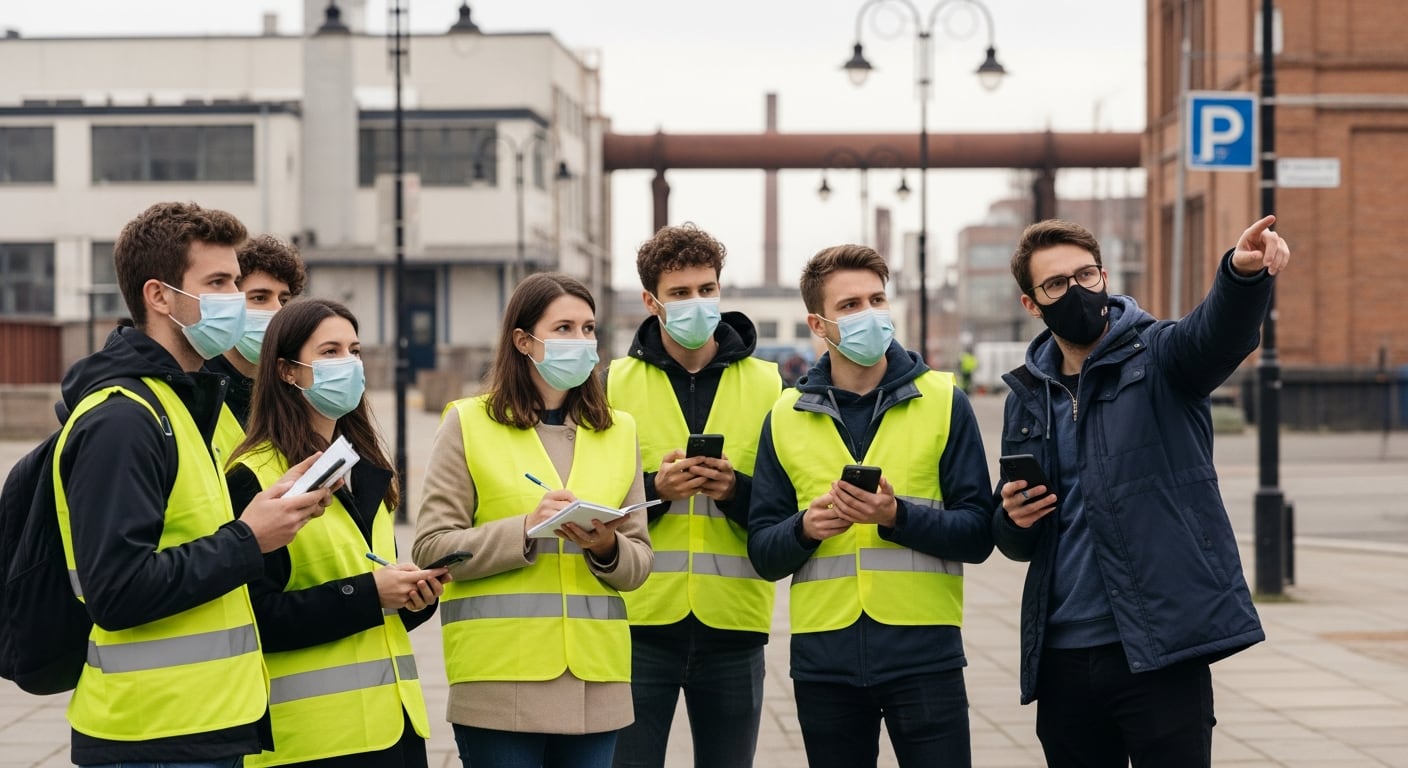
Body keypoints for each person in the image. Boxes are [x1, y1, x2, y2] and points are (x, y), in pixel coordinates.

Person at [993, 216, 1286, 767]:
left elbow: (1217, 334)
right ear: (1032, 304)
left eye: (1085, 275)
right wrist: (1012, 518)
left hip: (1158, 650)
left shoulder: (1161, 357)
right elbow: (1015, 541)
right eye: (1056, 284)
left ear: (1105, 276)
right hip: (1061, 657)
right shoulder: (1027, 396)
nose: (1076, 291)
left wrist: (1240, 276)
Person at [52, 201, 330, 766]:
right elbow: (118, 591)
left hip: (206, 723)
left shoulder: (181, 403)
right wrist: (250, 539)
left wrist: (263, 515)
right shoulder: (123, 418)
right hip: (151, 735)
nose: (236, 298)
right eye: (221, 282)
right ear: (160, 296)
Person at [747, 244, 995, 768]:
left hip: (924, 655)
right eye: (851, 305)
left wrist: (895, 516)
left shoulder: (945, 401)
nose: (870, 314)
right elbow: (763, 554)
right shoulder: (784, 416)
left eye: (877, 299)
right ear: (819, 323)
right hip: (824, 663)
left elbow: (978, 534)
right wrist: (806, 529)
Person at [413, 272, 653, 768]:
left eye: (589, 329)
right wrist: (524, 528)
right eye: (564, 328)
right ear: (523, 340)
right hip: (499, 678)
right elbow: (432, 548)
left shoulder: (618, 429)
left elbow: (640, 562)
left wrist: (606, 547)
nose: (582, 341)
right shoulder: (468, 422)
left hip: (597, 678)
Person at [226, 298, 445, 767]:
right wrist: (369, 593)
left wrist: (412, 598)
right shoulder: (254, 477)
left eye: (355, 350)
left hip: (396, 729)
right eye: (329, 352)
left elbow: (377, 603)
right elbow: (253, 617)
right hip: (313, 741)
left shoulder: (367, 469)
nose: (348, 364)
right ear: (287, 371)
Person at [605, 224, 781, 768]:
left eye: (707, 289)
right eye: (680, 293)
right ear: (650, 301)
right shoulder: (610, 386)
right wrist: (656, 491)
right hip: (638, 624)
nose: (697, 303)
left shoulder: (772, 386)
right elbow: (587, 508)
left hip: (736, 625)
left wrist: (733, 490)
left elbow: (785, 511)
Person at [207, 234, 307, 460]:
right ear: (227, 304)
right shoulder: (200, 389)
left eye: (284, 300)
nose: (277, 312)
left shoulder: (293, 390)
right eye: (260, 298)